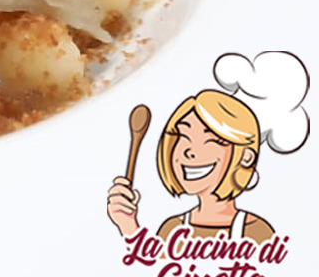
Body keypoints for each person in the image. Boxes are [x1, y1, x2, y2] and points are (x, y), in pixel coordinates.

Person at [107, 90, 274, 243]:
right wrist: (127, 224)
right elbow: (150, 270)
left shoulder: (256, 232)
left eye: (212, 140)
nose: (189, 151)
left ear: (246, 157)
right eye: (183, 136)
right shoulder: (173, 228)